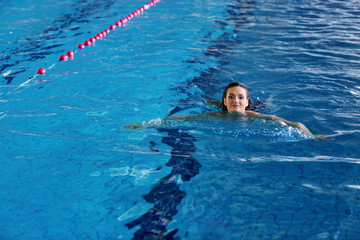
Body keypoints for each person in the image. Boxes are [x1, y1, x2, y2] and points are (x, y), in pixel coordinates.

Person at [126, 82, 328, 139]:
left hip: (256, 107)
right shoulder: (216, 114)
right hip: (219, 109)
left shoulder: (254, 116)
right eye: (231, 97)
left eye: (240, 97)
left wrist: (313, 135)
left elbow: (294, 124)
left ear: (246, 102)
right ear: (225, 101)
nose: (236, 101)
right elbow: (181, 118)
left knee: (265, 104)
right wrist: (144, 125)